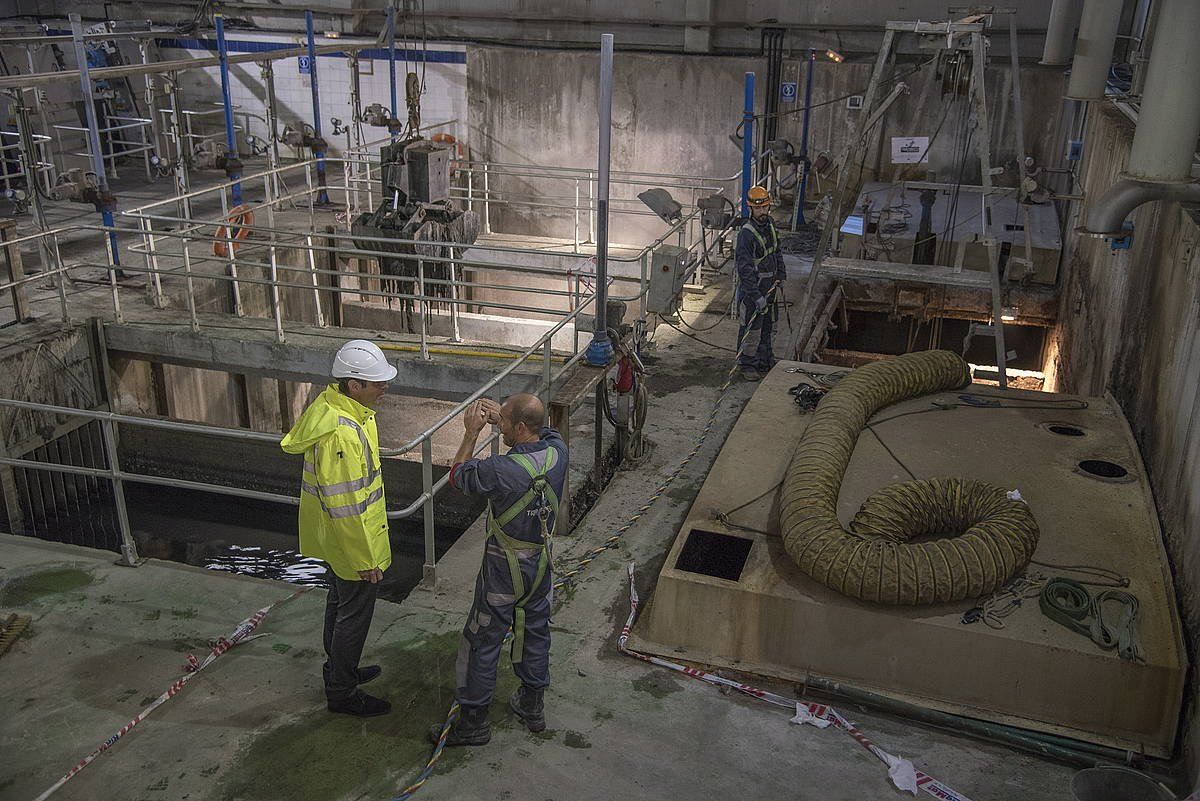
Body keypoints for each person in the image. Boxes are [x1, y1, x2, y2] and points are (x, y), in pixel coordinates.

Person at [432, 393, 568, 746]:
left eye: (505, 423)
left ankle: (474, 721)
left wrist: (472, 432)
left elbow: (459, 476)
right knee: (534, 630)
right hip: (540, 566)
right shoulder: (558, 455)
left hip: (502, 569)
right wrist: (503, 416)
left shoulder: (499, 470)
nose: (500, 426)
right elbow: (547, 431)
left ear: (520, 428)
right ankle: (532, 704)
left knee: (482, 637)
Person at [280, 339, 397, 717]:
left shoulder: (334, 408)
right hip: (352, 544)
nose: (384, 388)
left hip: (334, 539)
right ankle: (342, 692)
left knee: (338, 603)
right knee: (353, 615)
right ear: (354, 385)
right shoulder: (342, 433)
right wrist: (364, 558)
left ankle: (339, 670)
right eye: (377, 383)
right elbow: (346, 505)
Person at [735, 185, 786, 381]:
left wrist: (781, 275)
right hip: (753, 290)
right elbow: (745, 269)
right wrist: (756, 296)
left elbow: (777, 251)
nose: (762, 212)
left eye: (765, 208)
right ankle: (747, 364)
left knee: (769, 325)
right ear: (751, 209)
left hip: (771, 285)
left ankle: (765, 359)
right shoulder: (746, 234)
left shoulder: (771, 225)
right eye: (758, 209)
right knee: (751, 328)